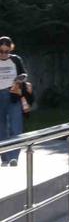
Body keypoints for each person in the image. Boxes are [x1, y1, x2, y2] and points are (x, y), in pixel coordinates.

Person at [0, 36, 27, 166]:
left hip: (13, 94)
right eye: (1, 51)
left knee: (16, 126)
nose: (4, 54)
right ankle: (4, 156)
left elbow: (24, 74)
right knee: (1, 128)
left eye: (7, 51)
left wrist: (20, 79)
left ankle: (13, 157)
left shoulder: (16, 60)